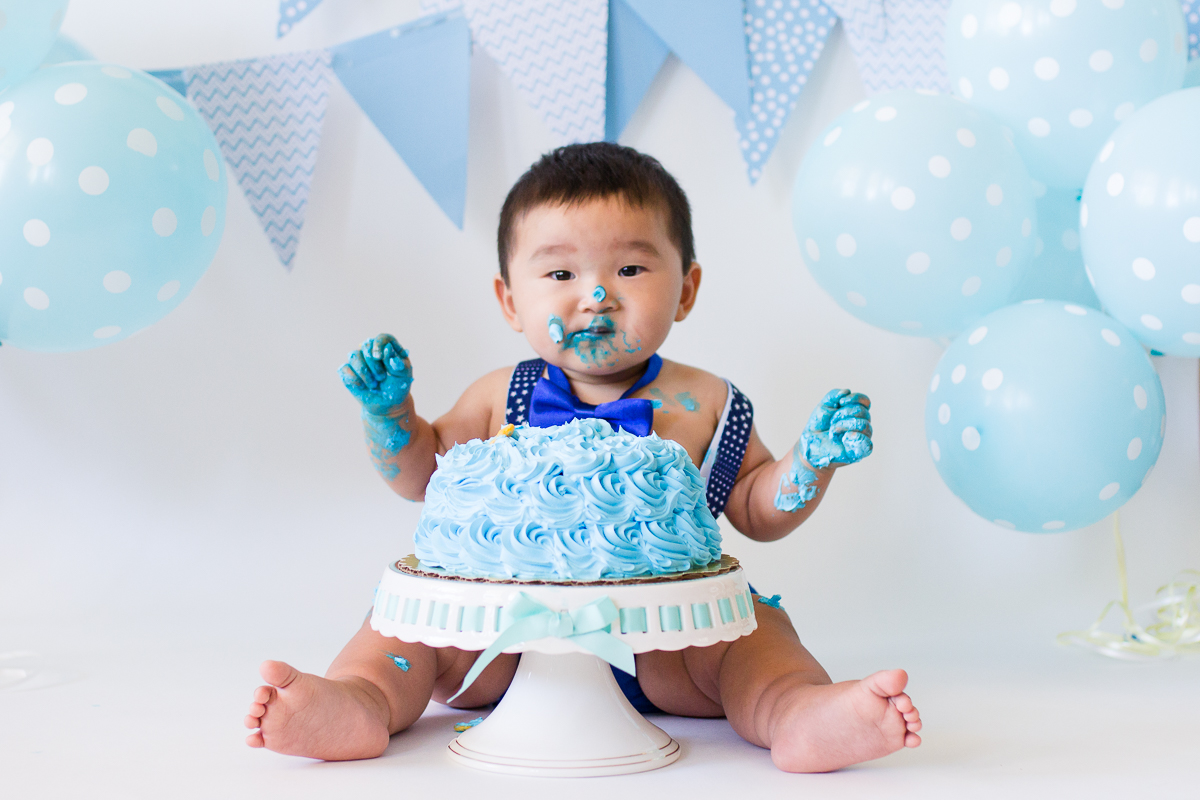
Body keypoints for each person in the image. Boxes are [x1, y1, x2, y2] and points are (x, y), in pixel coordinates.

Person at [243, 143, 921, 772]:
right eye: (561, 272)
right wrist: (391, 417)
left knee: (760, 632)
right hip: (500, 646)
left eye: (629, 268)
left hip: (672, 646)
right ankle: (359, 701)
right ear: (511, 299)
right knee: (398, 629)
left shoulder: (709, 400)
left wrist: (810, 463)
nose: (596, 294)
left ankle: (794, 710)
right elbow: (421, 476)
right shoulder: (497, 395)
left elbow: (754, 509)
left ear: (685, 287)